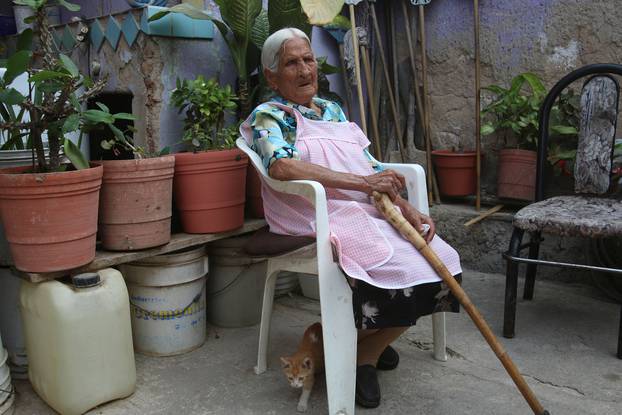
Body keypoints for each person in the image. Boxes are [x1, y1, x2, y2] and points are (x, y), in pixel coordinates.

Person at [240, 27, 462, 408]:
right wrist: (362, 183)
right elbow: (282, 168)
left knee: (440, 260)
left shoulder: (332, 109)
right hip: (309, 213)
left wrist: (405, 206)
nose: (305, 69)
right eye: (291, 63)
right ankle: (363, 357)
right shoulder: (268, 116)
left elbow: (368, 164)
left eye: (308, 59)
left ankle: (365, 347)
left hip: (357, 206)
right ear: (272, 77)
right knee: (395, 268)